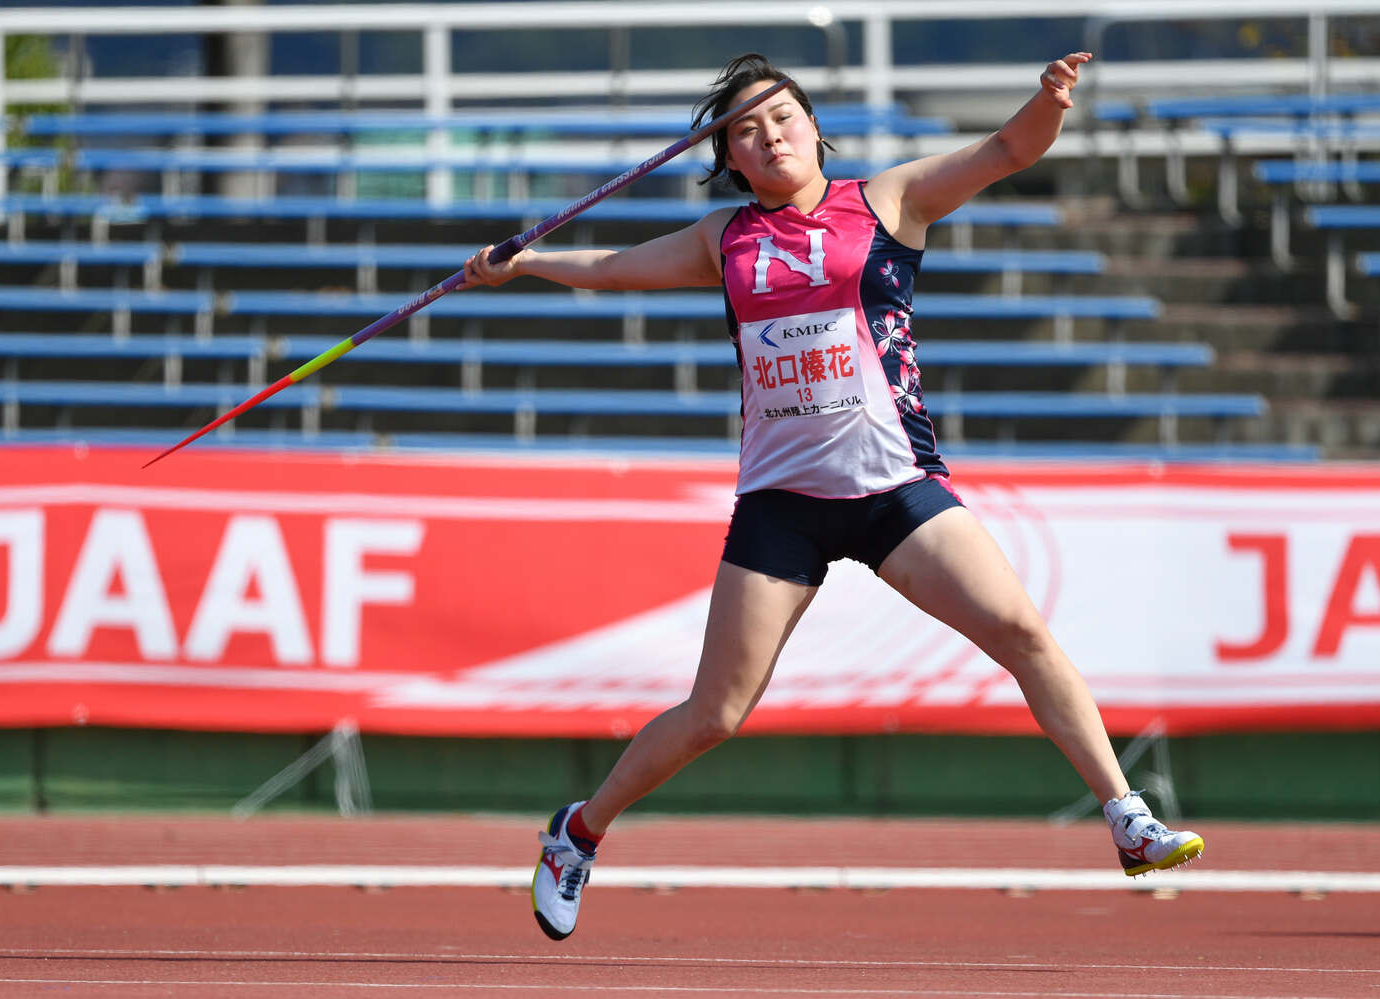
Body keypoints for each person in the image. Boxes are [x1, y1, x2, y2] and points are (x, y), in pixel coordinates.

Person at [463, 51, 1204, 942]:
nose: (770, 137)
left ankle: (1126, 816)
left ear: (814, 127)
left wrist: (1048, 100)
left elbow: (1008, 150)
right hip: (783, 502)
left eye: (782, 119)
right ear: (729, 156)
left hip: (895, 489)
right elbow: (617, 267)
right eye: (746, 130)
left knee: (1020, 630)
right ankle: (576, 833)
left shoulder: (889, 200)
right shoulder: (722, 238)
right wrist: (526, 263)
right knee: (715, 713)